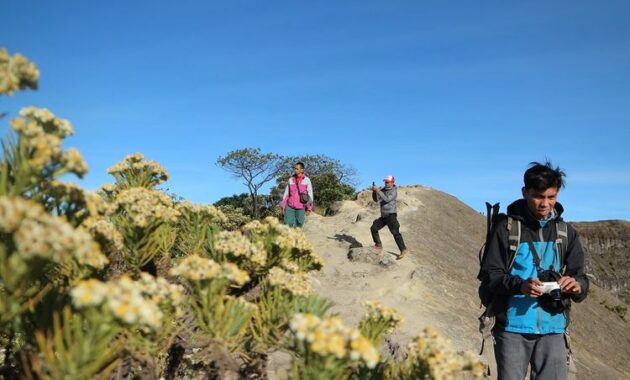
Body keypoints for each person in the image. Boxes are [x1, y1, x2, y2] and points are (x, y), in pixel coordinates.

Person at [479, 161, 589, 380]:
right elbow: (490, 276)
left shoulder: (566, 233)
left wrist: (577, 286)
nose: (545, 204)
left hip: (553, 328)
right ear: (525, 192)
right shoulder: (507, 228)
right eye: (539, 196)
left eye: (551, 197)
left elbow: (581, 277)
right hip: (511, 328)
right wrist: (520, 285)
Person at [370, 175, 408, 260]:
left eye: (388, 182)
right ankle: (378, 244)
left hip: (391, 215)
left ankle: (403, 250)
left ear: (392, 182)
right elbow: (376, 200)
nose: (386, 183)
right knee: (373, 228)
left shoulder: (394, 191)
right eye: (385, 182)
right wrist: (374, 192)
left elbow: (387, 199)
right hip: (383, 216)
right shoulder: (383, 190)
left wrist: (378, 191)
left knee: (395, 233)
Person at [280, 162, 314, 228]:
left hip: (301, 207)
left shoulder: (307, 180)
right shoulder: (291, 180)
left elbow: (310, 194)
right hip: (290, 206)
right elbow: (286, 193)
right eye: (295, 168)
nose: (295, 170)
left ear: (302, 170)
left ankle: (296, 237)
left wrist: (309, 208)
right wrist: (283, 205)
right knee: (287, 224)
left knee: (299, 225)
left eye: (297, 169)